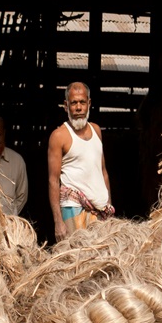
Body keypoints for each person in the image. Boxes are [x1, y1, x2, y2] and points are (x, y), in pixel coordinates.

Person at [48, 82, 113, 242]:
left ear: (89, 104)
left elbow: (103, 172)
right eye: (74, 103)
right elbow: (53, 180)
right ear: (66, 106)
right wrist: (58, 222)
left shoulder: (96, 130)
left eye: (82, 102)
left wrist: (109, 208)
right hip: (73, 210)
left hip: (100, 213)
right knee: (75, 261)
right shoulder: (59, 136)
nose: (78, 108)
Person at [0, 115, 28, 216]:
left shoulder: (17, 161)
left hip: (7, 225)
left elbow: (22, 196)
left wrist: (9, 217)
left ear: (4, 134)